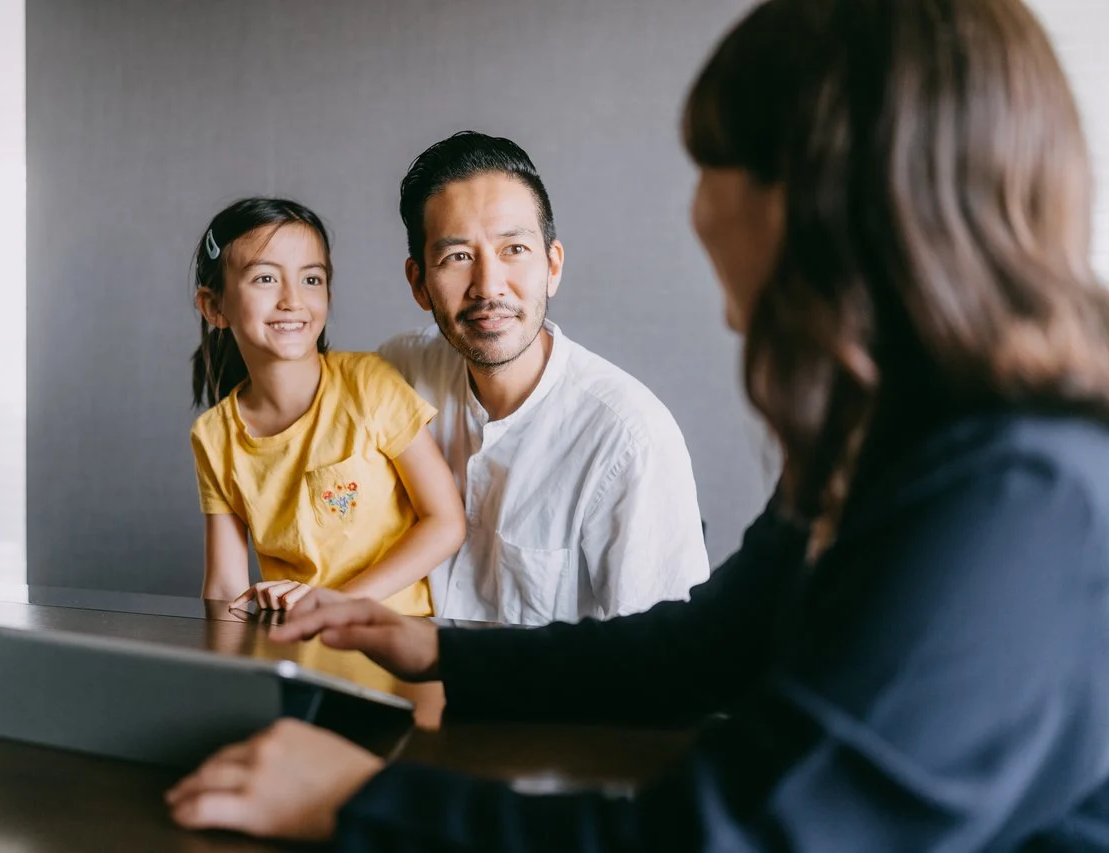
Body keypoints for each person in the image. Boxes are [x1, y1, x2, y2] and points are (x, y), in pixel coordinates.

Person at [167, 0, 1109, 848]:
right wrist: (435, 645)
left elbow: (751, 834)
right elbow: (708, 645)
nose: (697, 211)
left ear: (822, 195)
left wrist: (361, 805)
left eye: (717, 167)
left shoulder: (1018, 491)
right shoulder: (884, 432)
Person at [377, 131, 711, 625]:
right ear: (419, 284)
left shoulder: (629, 438)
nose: (488, 287)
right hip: (398, 696)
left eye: (513, 248)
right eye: (457, 257)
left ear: (552, 266)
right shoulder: (397, 375)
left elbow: (665, 664)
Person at [188, 198, 465, 616]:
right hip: (298, 646)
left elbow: (445, 523)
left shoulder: (370, 384)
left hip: (399, 643)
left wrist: (336, 603)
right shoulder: (213, 436)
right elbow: (225, 584)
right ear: (214, 306)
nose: (292, 300)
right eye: (265, 278)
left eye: (311, 280)